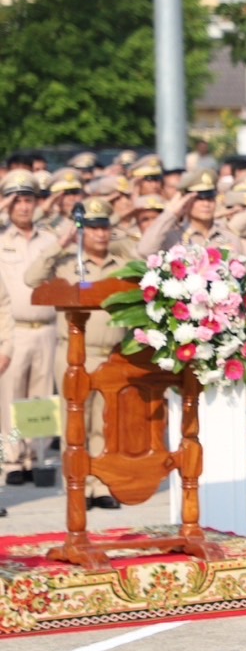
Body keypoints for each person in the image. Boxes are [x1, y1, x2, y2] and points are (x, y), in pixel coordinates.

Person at [23, 197, 120, 505]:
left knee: (105, 423)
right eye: (92, 228)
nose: (100, 234)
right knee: (75, 423)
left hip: (112, 354)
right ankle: (77, 483)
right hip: (75, 354)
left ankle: (101, 484)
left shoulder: (121, 263)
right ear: (82, 231)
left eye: (104, 227)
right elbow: (31, 278)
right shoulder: (68, 261)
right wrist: (61, 243)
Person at [0, 169, 62, 483]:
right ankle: (13, 460)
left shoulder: (49, 240)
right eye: (17, 201)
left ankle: (37, 457)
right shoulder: (1, 240)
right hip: (14, 329)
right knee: (11, 398)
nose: (23, 207)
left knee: (41, 397)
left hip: (47, 326)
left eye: (28, 200)